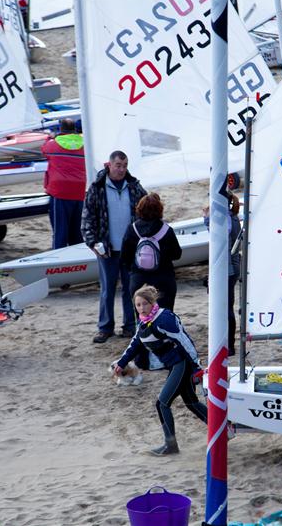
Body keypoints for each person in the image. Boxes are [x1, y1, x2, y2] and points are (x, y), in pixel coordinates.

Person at [113, 285, 207, 456]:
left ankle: (170, 445)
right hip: (174, 365)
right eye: (138, 305)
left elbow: (184, 341)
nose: (141, 308)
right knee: (192, 403)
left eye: (144, 304)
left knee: (162, 403)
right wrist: (122, 362)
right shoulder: (144, 321)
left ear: (152, 302)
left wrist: (196, 367)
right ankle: (225, 428)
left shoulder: (163, 319)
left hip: (182, 364)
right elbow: (135, 343)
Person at [82, 150, 148, 343]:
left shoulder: (134, 186)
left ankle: (130, 326)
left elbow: (147, 210)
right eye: (118, 165)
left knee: (131, 289)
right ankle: (105, 328)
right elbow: (87, 218)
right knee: (107, 289)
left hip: (130, 249)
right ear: (109, 165)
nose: (121, 169)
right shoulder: (97, 187)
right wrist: (92, 242)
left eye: (125, 166)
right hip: (106, 249)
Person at [121, 193, 182, 312]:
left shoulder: (131, 229)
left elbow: (124, 257)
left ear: (139, 209)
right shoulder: (166, 230)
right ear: (160, 209)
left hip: (139, 279)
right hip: (164, 279)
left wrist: (133, 269)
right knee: (164, 315)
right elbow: (177, 254)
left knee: (142, 317)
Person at [202, 192, 242, 357]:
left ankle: (228, 345)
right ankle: (229, 344)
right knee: (227, 307)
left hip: (226, 269)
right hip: (232, 267)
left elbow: (219, 237)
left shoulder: (222, 219)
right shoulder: (232, 217)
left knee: (223, 309)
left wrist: (206, 218)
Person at [42, 118, 86, 249]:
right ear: (75, 130)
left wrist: (49, 138)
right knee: (77, 233)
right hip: (80, 192)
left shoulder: (52, 145)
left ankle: (59, 261)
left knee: (60, 233)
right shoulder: (86, 144)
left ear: (61, 130)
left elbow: (43, 150)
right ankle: (77, 260)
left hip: (60, 192)